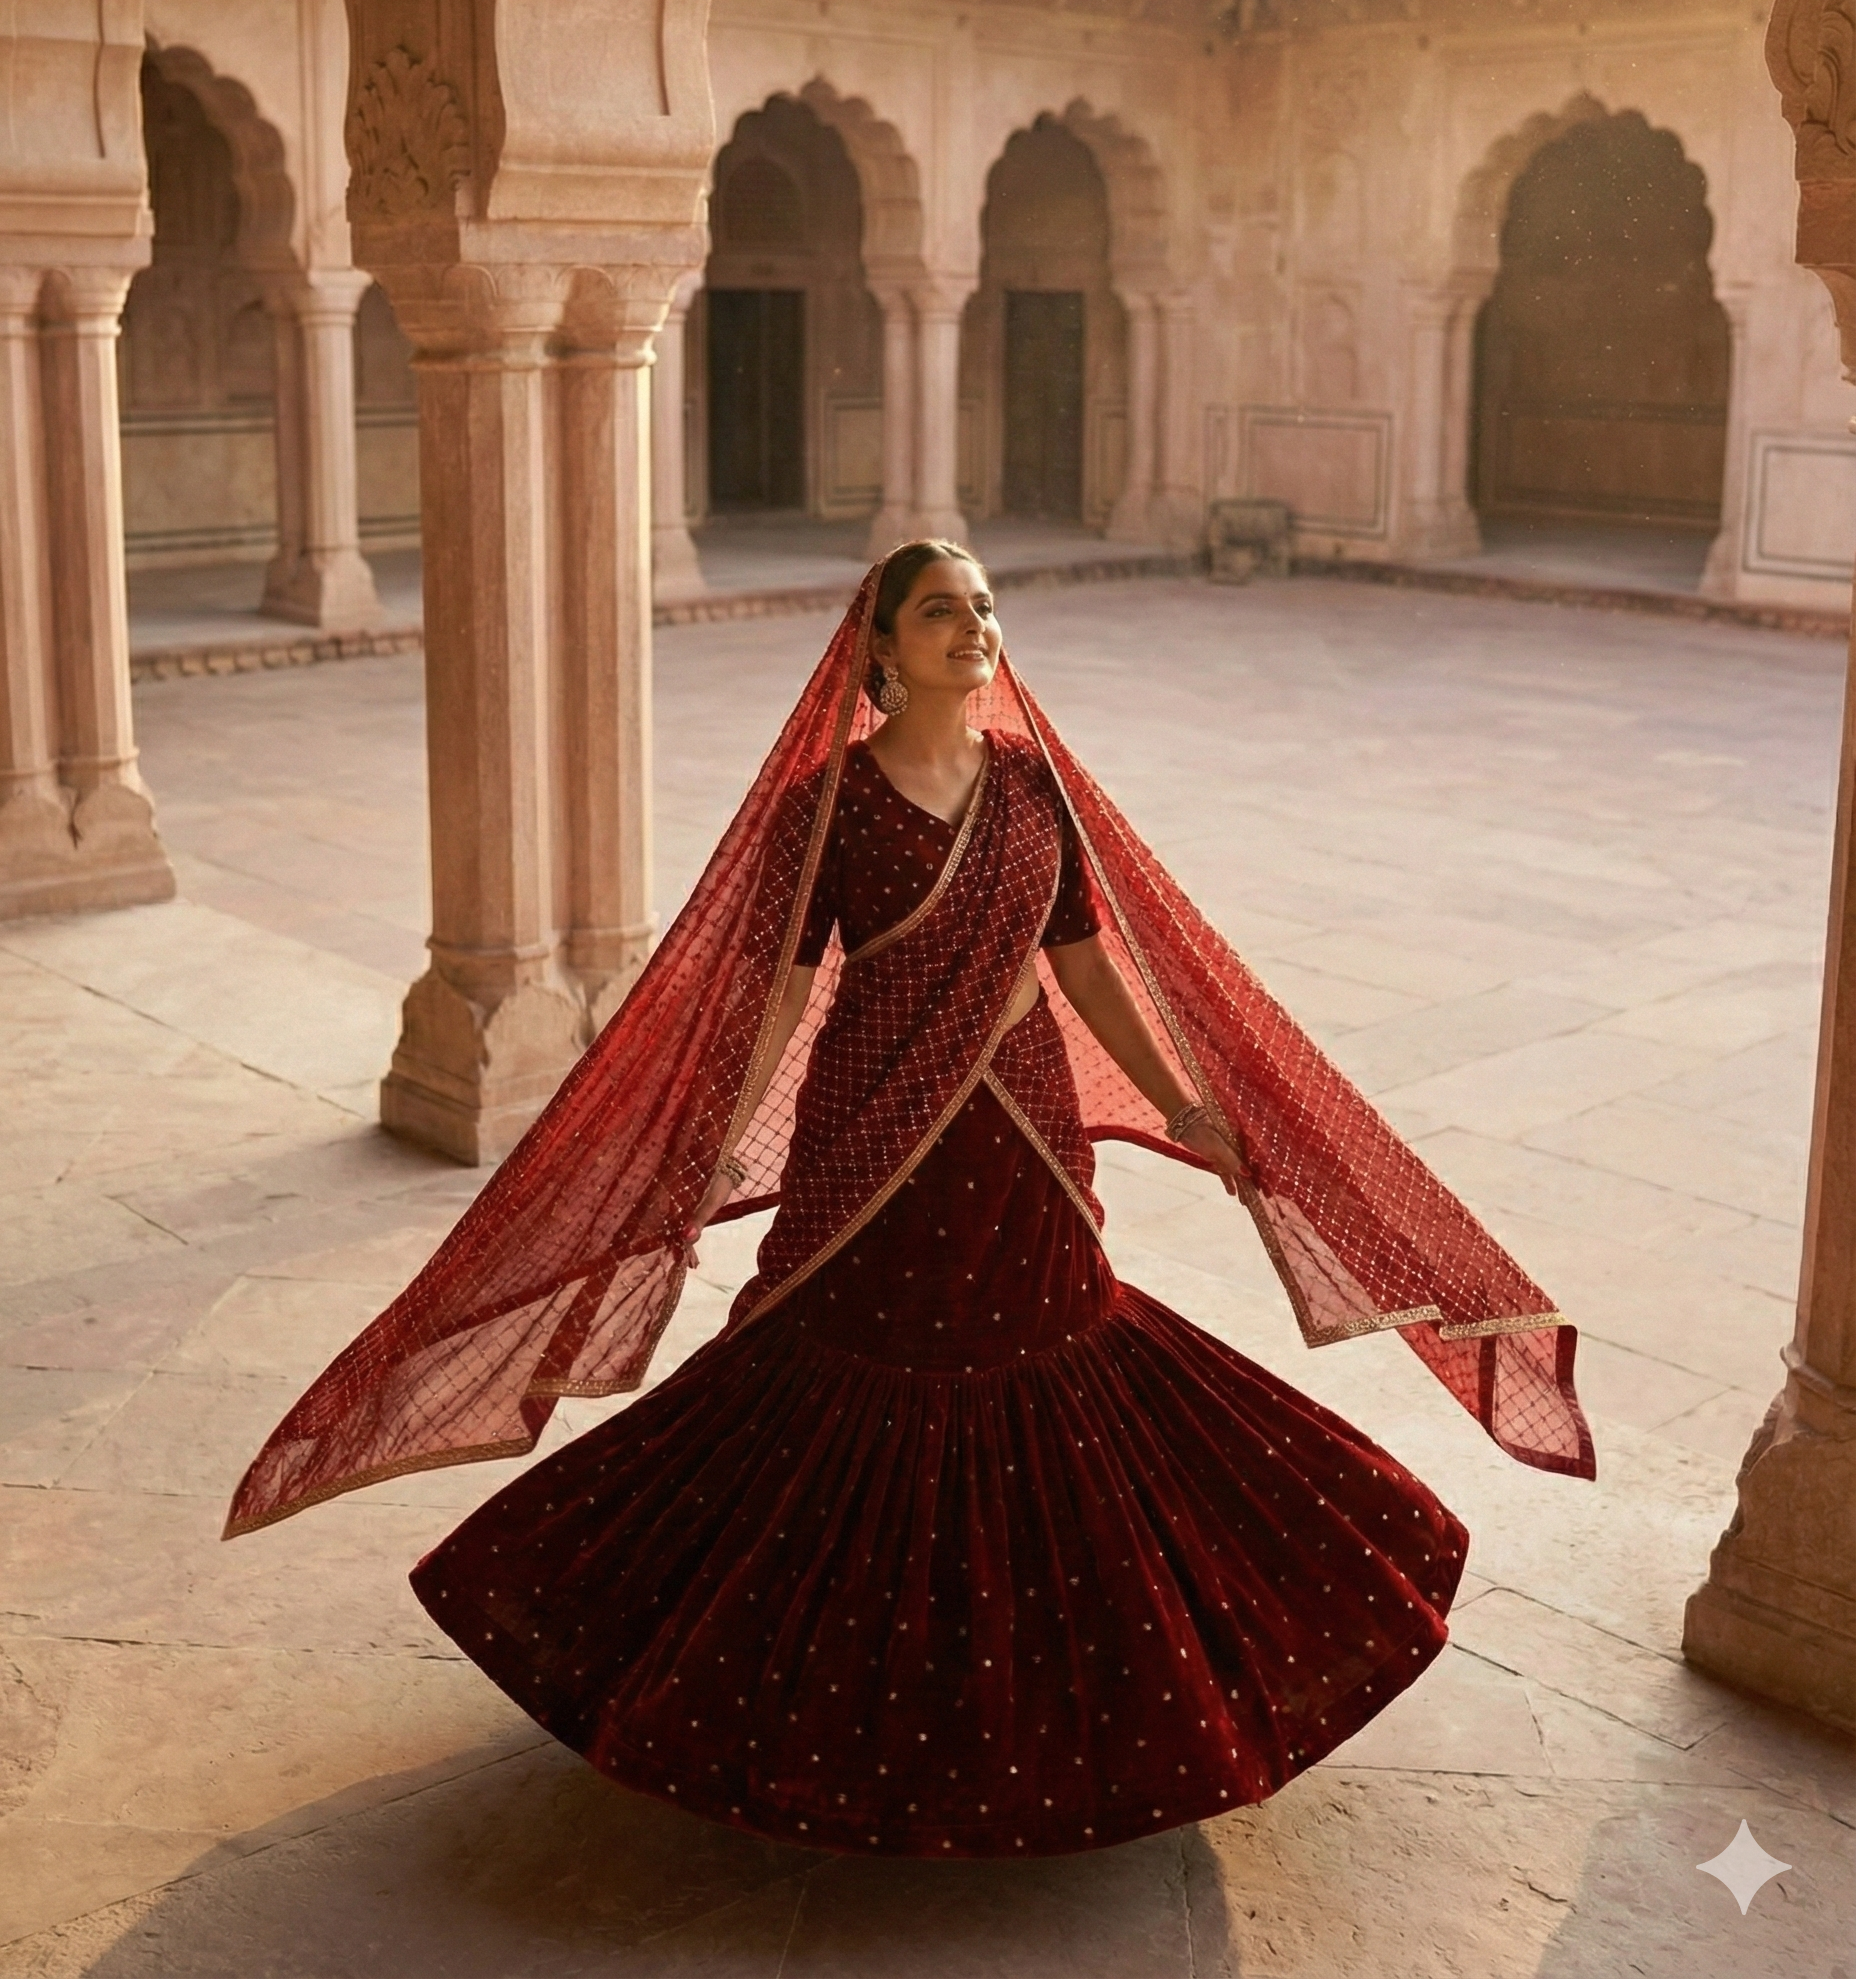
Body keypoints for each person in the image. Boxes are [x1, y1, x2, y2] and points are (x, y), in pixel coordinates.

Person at [225, 539, 1593, 1860]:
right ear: (880, 647)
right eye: (942, 609)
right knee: (835, 1372)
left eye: (984, 604)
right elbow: (773, 992)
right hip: (874, 1137)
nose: (974, 626)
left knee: (1053, 1356)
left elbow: (1089, 963)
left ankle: (1082, 1713)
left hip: (1025, 1133)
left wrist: (1182, 1103)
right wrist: (711, 1140)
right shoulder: (823, 806)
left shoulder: (1031, 786)